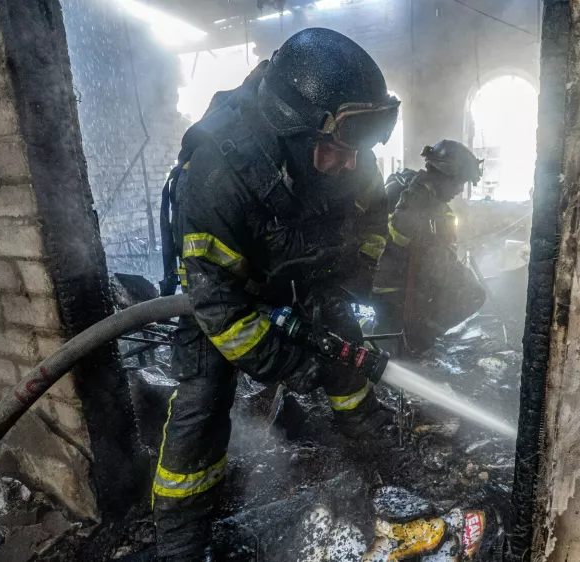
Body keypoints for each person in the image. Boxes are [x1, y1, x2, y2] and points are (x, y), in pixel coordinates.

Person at [154, 28, 399, 561]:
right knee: (203, 395)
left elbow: (373, 220)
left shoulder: (347, 150)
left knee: (342, 339)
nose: (353, 164)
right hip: (224, 286)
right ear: (294, 130)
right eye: (338, 152)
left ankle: (363, 429)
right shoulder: (219, 174)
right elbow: (219, 310)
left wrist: (347, 281)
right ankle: (180, 538)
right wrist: (291, 364)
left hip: (304, 266)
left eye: (358, 152)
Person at [371, 140, 486, 354]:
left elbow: (444, 247)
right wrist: (414, 201)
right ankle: (407, 342)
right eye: (458, 182)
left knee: (474, 293)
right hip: (391, 285)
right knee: (392, 348)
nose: (460, 190)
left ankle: (422, 338)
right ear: (444, 175)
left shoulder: (439, 205)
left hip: (420, 281)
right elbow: (396, 239)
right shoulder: (402, 192)